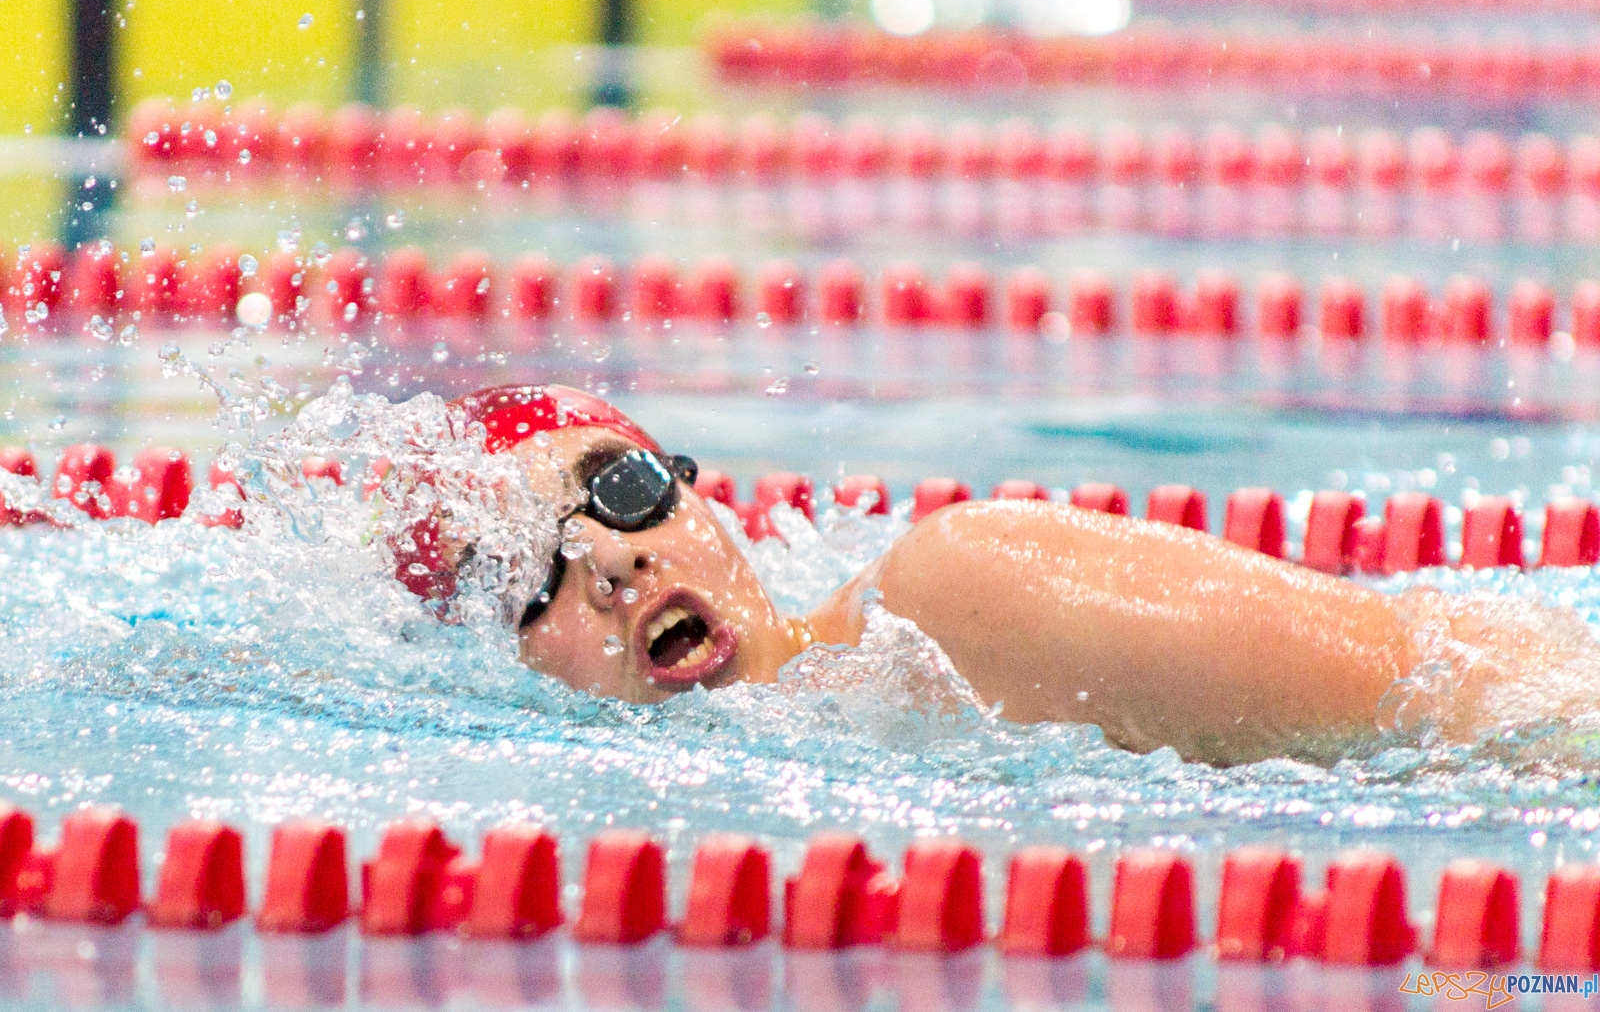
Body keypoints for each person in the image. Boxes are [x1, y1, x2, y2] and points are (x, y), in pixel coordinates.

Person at [432, 384, 1590, 767]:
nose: (610, 563)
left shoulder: (953, 595)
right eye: (524, 579)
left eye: (618, 489)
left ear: (701, 497)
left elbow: (1464, 694)